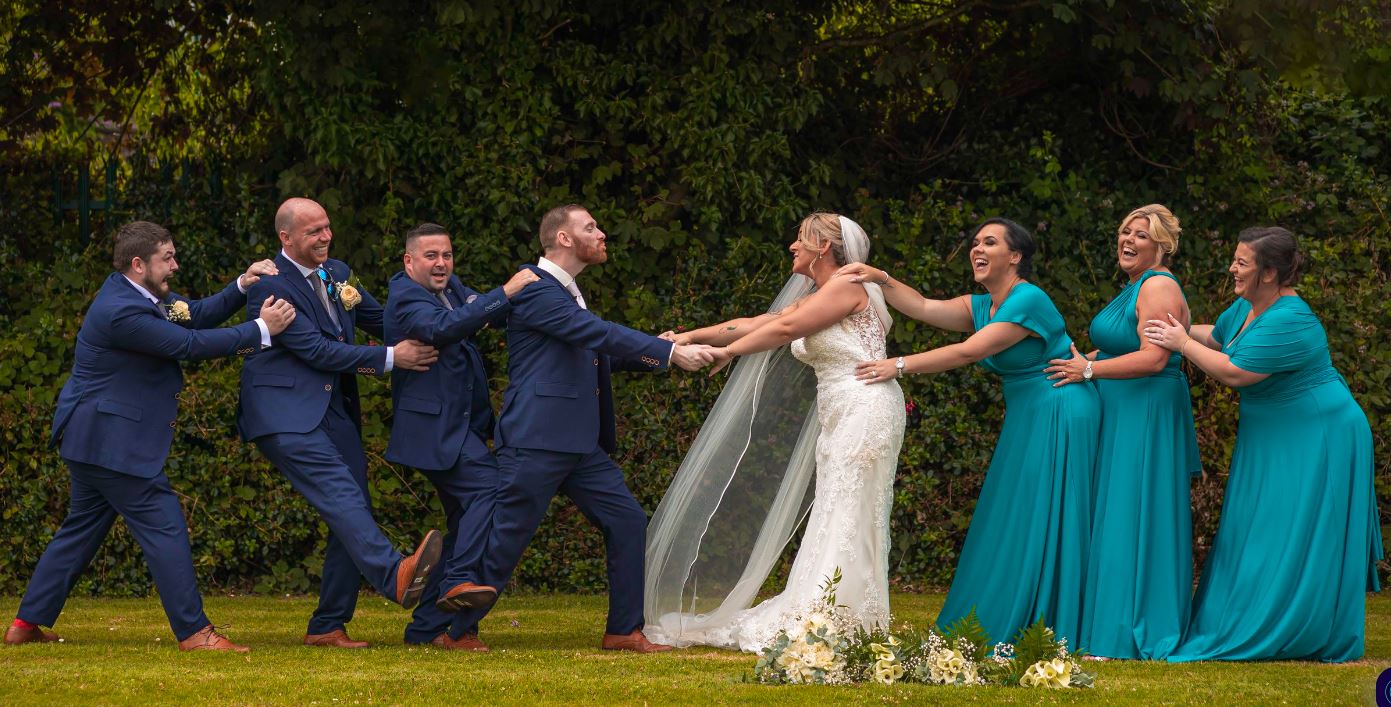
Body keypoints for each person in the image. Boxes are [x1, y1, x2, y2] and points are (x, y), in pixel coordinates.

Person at [6, 220, 293, 652]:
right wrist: (262, 329)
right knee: (165, 526)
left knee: (78, 533)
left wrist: (241, 284)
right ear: (138, 264)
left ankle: (25, 624)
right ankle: (195, 634)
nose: (176, 265)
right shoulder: (122, 311)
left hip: (92, 439)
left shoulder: (140, 295)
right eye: (168, 258)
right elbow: (189, 346)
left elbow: (193, 315)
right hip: (109, 440)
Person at [441, 204, 713, 653]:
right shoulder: (534, 288)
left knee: (627, 521)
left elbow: (598, 350)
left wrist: (657, 351)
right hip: (536, 439)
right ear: (564, 239)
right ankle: (456, 632)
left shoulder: (566, 293)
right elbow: (594, 332)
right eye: (591, 227)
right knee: (508, 537)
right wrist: (667, 354)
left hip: (580, 445)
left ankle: (624, 631)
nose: (602, 233)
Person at [643, 212, 903, 652]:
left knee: (850, 508)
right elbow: (758, 323)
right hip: (843, 409)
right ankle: (838, 612)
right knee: (839, 507)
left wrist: (727, 352)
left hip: (865, 408)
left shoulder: (846, 285)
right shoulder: (823, 291)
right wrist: (687, 338)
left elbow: (784, 331)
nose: (792, 246)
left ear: (824, 247)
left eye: (801, 239)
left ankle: (836, 616)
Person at [849, 217, 1099, 647]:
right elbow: (926, 307)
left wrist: (899, 364)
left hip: (1059, 407)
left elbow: (970, 351)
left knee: (1046, 512)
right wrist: (881, 277)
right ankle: (1010, 608)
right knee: (1018, 510)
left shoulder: (1028, 299)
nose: (977, 250)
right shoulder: (982, 305)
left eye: (990, 243)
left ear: (1015, 256)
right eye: (975, 243)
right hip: (1028, 413)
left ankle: (1052, 615)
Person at [1145, 226, 1382, 662]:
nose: (1232, 268)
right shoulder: (1248, 306)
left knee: (1290, 530)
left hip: (1319, 436)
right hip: (1275, 436)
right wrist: (1173, 328)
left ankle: (1295, 624)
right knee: (1259, 527)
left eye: (1242, 263)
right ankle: (1252, 613)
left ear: (1270, 272)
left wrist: (1178, 343)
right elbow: (1218, 337)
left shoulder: (1292, 320)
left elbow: (1235, 371)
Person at [238, 198, 445, 649]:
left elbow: (381, 319)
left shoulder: (339, 273)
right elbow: (314, 350)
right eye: (313, 232)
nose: (325, 237)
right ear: (286, 238)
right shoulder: (270, 286)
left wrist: (444, 323)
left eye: (327, 227)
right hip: (286, 414)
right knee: (341, 495)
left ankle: (328, 625)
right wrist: (393, 359)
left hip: (334, 411)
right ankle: (394, 575)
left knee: (350, 511)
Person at [1043, 204, 1200, 659]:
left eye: (1141, 236)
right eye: (1124, 232)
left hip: (1146, 408)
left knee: (1134, 509)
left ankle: (1130, 628)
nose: (1128, 241)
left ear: (1162, 246)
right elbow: (1122, 345)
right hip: (1125, 405)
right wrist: (1077, 358)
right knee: (1115, 509)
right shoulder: (1134, 287)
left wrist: (1089, 369)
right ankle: (1105, 622)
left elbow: (1154, 358)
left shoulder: (1158, 286)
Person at [384, 222, 539, 651]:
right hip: (435, 432)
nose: (441, 264)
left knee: (467, 523)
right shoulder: (405, 295)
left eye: (447, 255)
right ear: (409, 260)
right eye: (431, 256)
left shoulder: (450, 287)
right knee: (489, 489)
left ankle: (428, 628)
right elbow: (443, 328)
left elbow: (477, 308)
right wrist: (505, 292)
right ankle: (457, 582)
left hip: (462, 428)